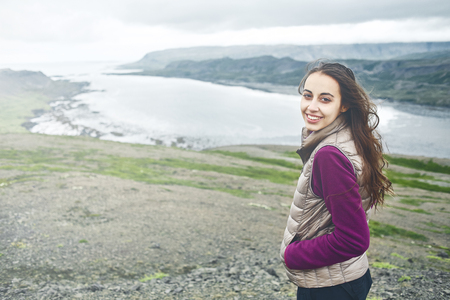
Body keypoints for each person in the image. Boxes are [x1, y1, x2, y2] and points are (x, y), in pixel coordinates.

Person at [280, 61, 393, 300]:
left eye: (325, 99)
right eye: (308, 96)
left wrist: (292, 255)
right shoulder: (350, 136)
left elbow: (353, 239)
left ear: (344, 105)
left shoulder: (330, 155)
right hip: (345, 277)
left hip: (330, 286)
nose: (311, 107)